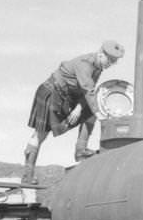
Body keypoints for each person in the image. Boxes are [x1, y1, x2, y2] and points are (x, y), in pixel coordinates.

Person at [22, 40, 125, 183]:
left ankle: (80, 150)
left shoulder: (98, 68)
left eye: (114, 62)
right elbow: (88, 91)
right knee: (40, 135)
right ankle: (27, 175)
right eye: (110, 60)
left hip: (66, 97)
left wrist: (79, 107)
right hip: (51, 92)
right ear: (101, 54)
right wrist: (101, 116)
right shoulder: (85, 64)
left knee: (89, 110)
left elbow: (89, 90)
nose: (111, 64)